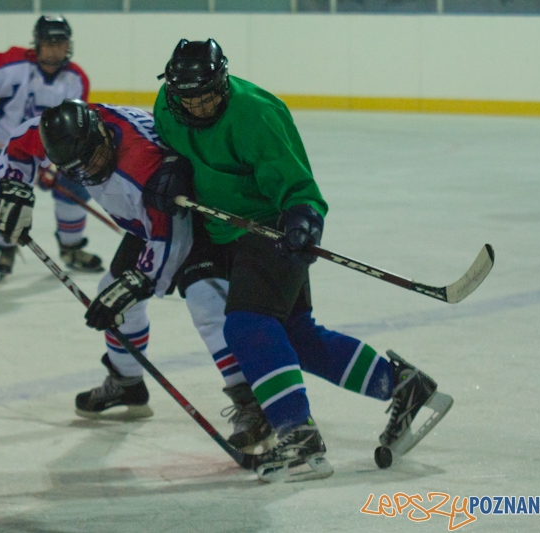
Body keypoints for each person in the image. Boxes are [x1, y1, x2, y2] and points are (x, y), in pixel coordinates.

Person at [151, 39, 452, 482]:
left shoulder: (256, 114)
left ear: (223, 81)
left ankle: (298, 434)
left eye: (207, 95)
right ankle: (402, 385)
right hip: (220, 235)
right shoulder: (168, 102)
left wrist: (303, 219)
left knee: (247, 325)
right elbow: (170, 145)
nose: (196, 106)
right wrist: (171, 166)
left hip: (268, 226)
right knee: (296, 336)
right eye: (187, 97)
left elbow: (300, 187)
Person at [0, 100, 273, 452]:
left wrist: (140, 281)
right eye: (73, 170)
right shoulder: (71, 131)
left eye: (90, 161)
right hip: (149, 220)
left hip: (195, 213)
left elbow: (171, 234)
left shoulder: (141, 162)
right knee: (112, 292)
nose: (87, 174)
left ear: (103, 136)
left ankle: (253, 403)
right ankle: (127, 382)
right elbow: (18, 144)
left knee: (207, 302)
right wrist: (14, 189)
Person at [0, 15, 103, 280]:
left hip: (55, 152)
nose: (55, 49)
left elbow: (78, 130)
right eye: (49, 42)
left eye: (61, 42)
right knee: (10, 199)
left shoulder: (76, 79)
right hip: (8, 148)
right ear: (38, 44)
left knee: (75, 188)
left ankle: (71, 248)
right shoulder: (15, 65)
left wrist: (55, 165)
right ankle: (7, 248)